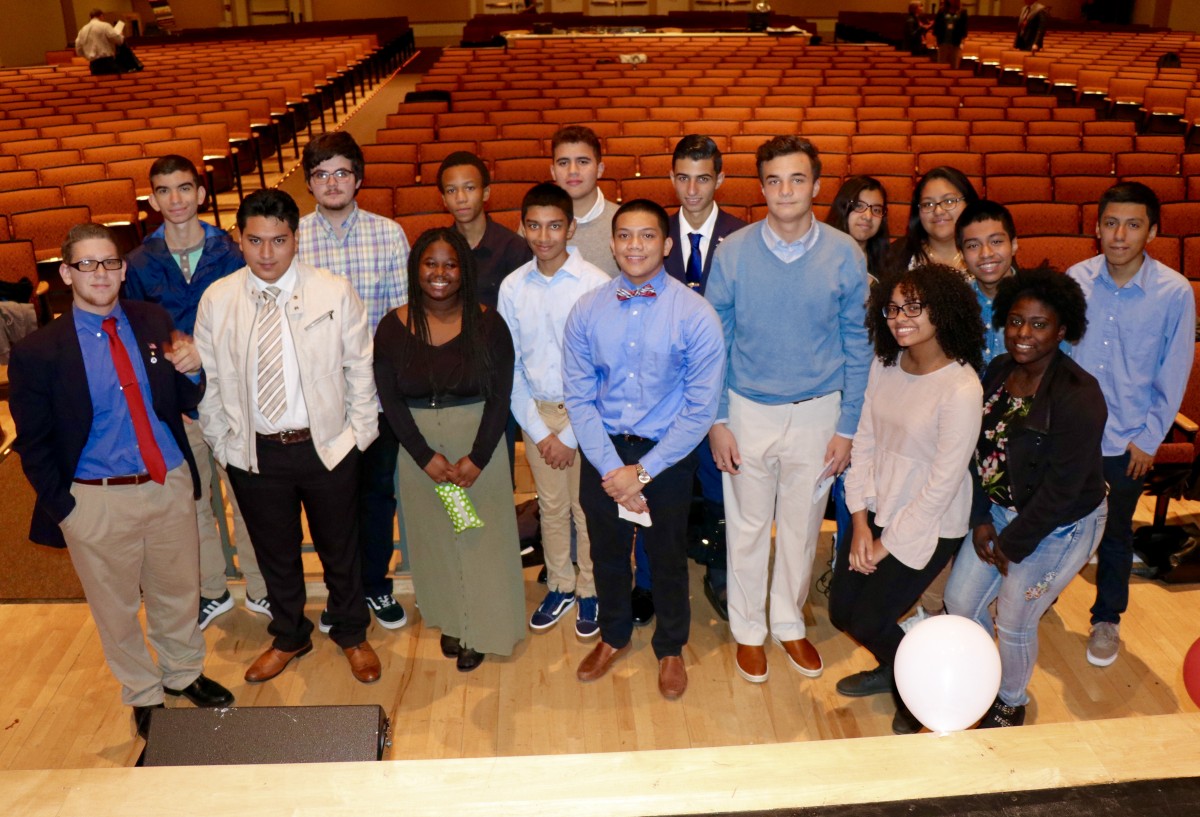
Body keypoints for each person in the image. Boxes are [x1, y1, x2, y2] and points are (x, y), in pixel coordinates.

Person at [10, 223, 234, 741]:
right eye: (87, 264)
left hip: (166, 481)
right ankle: (142, 691)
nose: (100, 274)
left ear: (123, 269)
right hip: (95, 499)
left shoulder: (152, 319)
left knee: (178, 591)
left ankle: (183, 674)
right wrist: (66, 508)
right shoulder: (39, 352)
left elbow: (181, 400)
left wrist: (194, 371)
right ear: (66, 273)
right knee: (115, 608)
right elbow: (35, 444)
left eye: (109, 263)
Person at [196, 189, 382, 685]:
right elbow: (209, 380)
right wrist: (222, 440)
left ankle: (350, 631)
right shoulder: (218, 299)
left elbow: (360, 367)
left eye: (278, 240)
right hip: (255, 452)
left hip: (327, 447)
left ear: (295, 239)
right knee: (274, 551)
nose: (267, 253)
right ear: (240, 239)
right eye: (255, 240)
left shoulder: (333, 291)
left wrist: (359, 435)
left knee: (340, 548)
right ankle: (290, 634)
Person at [707, 136, 872, 685]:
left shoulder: (846, 254)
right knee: (749, 528)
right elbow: (714, 344)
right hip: (746, 408)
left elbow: (858, 346)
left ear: (817, 187)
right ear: (761, 188)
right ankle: (749, 630)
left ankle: (788, 621)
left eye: (797, 179)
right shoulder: (732, 253)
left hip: (818, 413)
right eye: (774, 180)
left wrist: (847, 428)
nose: (785, 190)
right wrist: (717, 420)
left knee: (802, 527)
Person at [563, 199, 724, 700]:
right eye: (625, 236)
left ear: (667, 244)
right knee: (607, 552)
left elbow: (699, 411)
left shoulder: (696, 315)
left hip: (668, 453)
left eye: (647, 236)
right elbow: (578, 397)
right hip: (604, 450)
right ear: (612, 245)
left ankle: (671, 646)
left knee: (667, 555)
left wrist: (643, 473)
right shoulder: (587, 310)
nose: (635, 245)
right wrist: (615, 471)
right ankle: (612, 636)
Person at [945, 268, 1108, 728]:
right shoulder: (997, 372)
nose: (1023, 334)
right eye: (1016, 321)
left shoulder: (1080, 396)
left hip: (1061, 525)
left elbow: (1062, 490)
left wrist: (1011, 544)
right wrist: (981, 519)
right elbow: (978, 453)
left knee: (1015, 618)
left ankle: (1010, 701)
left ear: (1062, 330)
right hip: (1000, 511)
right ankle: (982, 679)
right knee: (960, 603)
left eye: (1039, 325)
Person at [832, 264, 984, 735]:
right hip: (877, 505)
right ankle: (894, 664)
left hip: (930, 520)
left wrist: (886, 542)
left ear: (942, 311)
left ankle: (913, 689)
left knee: (872, 615)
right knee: (842, 611)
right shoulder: (886, 364)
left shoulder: (961, 387)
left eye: (914, 308)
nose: (900, 318)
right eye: (893, 308)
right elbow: (864, 442)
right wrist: (859, 521)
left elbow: (942, 483)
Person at [122, 154, 268, 630]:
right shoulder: (139, 263)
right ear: (153, 199)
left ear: (202, 194)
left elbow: (253, 321)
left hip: (233, 395)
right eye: (164, 191)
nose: (176, 199)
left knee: (247, 493)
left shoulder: (234, 250)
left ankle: (263, 588)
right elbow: (137, 333)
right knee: (192, 498)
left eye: (184, 188)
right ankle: (210, 590)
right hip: (176, 402)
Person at [374, 227, 524, 672]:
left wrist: (478, 457)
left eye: (450, 264)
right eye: (430, 263)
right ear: (415, 268)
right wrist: (424, 456)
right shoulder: (392, 326)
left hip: (479, 446)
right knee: (436, 541)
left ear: (465, 270)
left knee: (481, 540)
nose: (440, 273)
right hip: (420, 450)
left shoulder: (489, 324)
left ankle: (483, 629)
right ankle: (454, 622)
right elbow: (390, 399)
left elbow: (501, 397)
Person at [1066, 182, 1195, 667]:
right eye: (1111, 223)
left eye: (1133, 224)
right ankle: (1041, 603)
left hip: (1127, 440)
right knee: (1052, 525)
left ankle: (1106, 621)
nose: (1120, 235)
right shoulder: (1075, 279)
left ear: (1153, 231)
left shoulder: (1174, 292)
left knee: (1117, 534)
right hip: (1074, 436)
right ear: (1097, 228)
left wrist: (1149, 438)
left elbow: (1174, 368)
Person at [296, 132, 410, 634]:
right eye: (321, 175)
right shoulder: (292, 237)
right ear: (309, 184)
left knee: (376, 494)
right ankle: (342, 591)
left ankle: (375, 584)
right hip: (315, 395)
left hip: (375, 391)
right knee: (328, 501)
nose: (332, 182)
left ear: (358, 179)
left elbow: (400, 317)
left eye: (341, 172)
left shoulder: (388, 234)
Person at [499, 183, 608, 639]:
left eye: (555, 225)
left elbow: (605, 370)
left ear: (572, 227)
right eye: (535, 225)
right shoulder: (513, 286)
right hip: (538, 414)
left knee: (587, 507)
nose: (544, 235)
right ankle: (561, 583)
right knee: (551, 505)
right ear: (523, 227)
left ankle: (591, 587)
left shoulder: (596, 284)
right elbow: (512, 366)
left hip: (588, 415)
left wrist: (571, 435)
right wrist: (541, 433)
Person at [662, 134, 748, 620]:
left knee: (722, 487)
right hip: (664, 393)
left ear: (720, 179)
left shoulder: (742, 236)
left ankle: (721, 569)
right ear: (672, 177)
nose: (692, 189)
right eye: (682, 177)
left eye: (703, 178)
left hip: (725, 391)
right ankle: (654, 579)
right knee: (663, 488)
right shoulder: (654, 232)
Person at [438, 151, 532, 310]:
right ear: (444, 200)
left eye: (469, 188)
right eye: (451, 190)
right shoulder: (438, 249)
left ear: (486, 193)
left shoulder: (515, 248)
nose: (461, 198)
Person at [956, 200, 1020, 367]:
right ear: (962, 255)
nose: (986, 253)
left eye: (996, 242)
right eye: (973, 245)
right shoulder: (954, 306)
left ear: (1013, 245)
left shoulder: (1041, 302)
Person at [550, 125, 620, 277]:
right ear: (553, 171)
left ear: (600, 169)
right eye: (563, 163)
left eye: (582, 162)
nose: (573, 170)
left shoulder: (623, 221)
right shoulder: (535, 226)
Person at [888, 166, 979, 277]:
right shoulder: (895, 255)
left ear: (969, 204)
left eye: (949, 201)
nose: (938, 211)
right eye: (928, 204)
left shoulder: (987, 252)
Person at [825, 175, 889, 283]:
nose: (868, 216)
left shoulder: (889, 260)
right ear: (842, 207)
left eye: (877, 210)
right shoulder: (820, 255)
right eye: (859, 206)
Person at [74, 8, 140, 75]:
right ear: (101, 16)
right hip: (107, 62)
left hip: (94, 65)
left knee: (101, 84)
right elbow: (119, 41)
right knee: (113, 81)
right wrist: (120, 35)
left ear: (90, 17)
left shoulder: (82, 30)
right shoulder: (105, 26)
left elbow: (79, 50)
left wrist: (88, 56)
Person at [934, 0, 969, 68]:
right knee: (942, 63)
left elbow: (964, 27)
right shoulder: (942, 10)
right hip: (943, 41)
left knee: (954, 64)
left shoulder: (962, 11)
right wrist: (936, 39)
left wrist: (962, 41)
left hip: (956, 42)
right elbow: (937, 26)